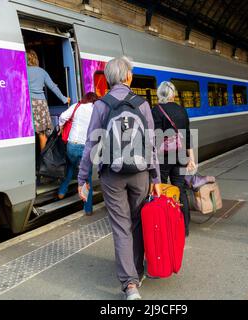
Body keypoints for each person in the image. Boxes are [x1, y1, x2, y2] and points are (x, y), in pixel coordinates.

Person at [77, 56, 162, 300]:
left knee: (121, 226)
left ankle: (130, 285)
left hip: (112, 175)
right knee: (137, 222)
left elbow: (91, 144)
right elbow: (151, 145)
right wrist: (155, 178)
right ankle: (138, 270)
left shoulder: (101, 106)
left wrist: (83, 178)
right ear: (128, 77)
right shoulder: (142, 104)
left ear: (110, 79)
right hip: (140, 173)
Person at [152, 81, 196, 237]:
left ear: (159, 94)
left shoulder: (156, 110)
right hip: (181, 155)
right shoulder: (182, 110)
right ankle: (184, 228)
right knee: (180, 188)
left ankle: (165, 225)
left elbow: (154, 137)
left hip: (163, 157)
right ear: (173, 94)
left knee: (162, 189)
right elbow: (188, 135)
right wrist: (191, 158)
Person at [57, 92, 99, 215]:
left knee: (71, 166)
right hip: (85, 147)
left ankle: (61, 192)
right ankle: (88, 209)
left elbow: (62, 117)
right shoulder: (95, 110)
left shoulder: (77, 106)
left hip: (71, 146)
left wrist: (60, 127)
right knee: (87, 177)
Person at [27, 49, 71, 151]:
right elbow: (53, 87)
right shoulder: (42, 72)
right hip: (40, 104)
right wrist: (64, 98)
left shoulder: (22, 70)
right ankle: (44, 161)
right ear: (35, 59)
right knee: (42, 134)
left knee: (28, 134)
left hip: (27, 104)